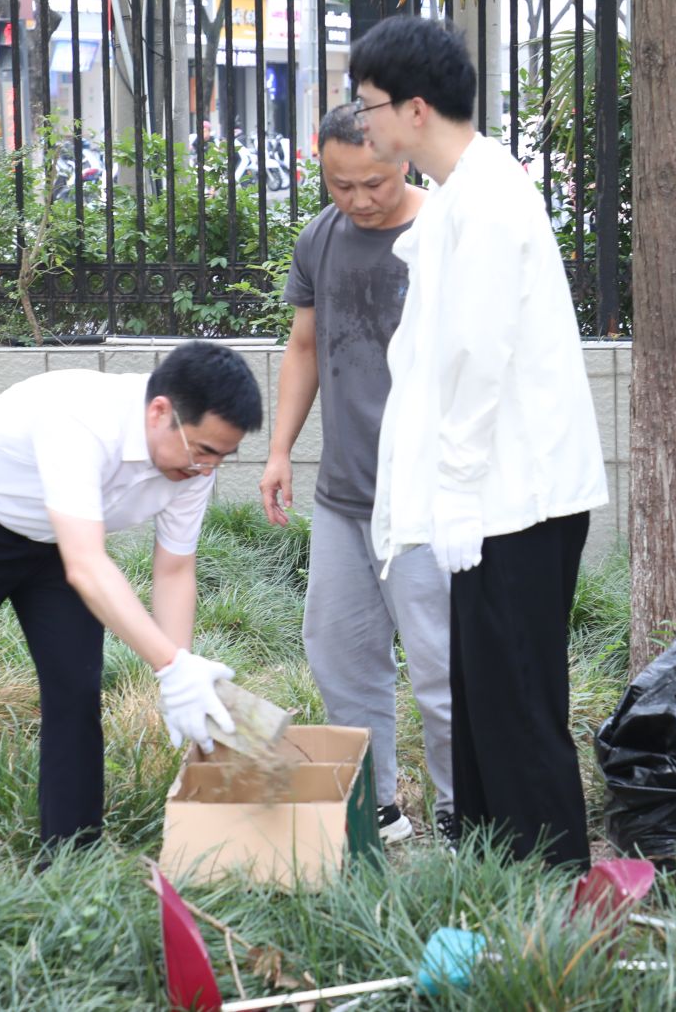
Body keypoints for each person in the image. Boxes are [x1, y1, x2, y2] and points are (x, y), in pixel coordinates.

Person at [348, 15, 609, 872]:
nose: (363, 121)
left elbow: (477, 353)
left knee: (519, 704)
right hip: (495, 499)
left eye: (369, 103)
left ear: (415, 108)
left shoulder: (490, 198)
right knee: (487, 700)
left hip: (515, 498)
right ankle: (504, 880)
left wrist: (457, 486)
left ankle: (556, 888)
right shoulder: (464, 193)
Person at [0, 342, 263, 855]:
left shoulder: (191, 467)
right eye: (204, 451)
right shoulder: (82, 419)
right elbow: (86, 565)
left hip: (61, 542)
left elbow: (174, 569)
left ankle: (69, 862)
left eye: (222, 457)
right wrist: (171, 666)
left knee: (76, 694)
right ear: (159, 412)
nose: (208, 469)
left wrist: (182, 674)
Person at [260, 105, 453, 847]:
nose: (359, 199)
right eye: (341, 185)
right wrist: (280, 449)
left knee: (441, 665)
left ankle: (462, 806)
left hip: (428, 498)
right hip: (344, 495)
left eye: (373, 183)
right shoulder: (321, 236)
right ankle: (376, 807)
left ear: (403, 158)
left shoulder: (445, 234)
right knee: (339, 652)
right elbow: (304, 345)